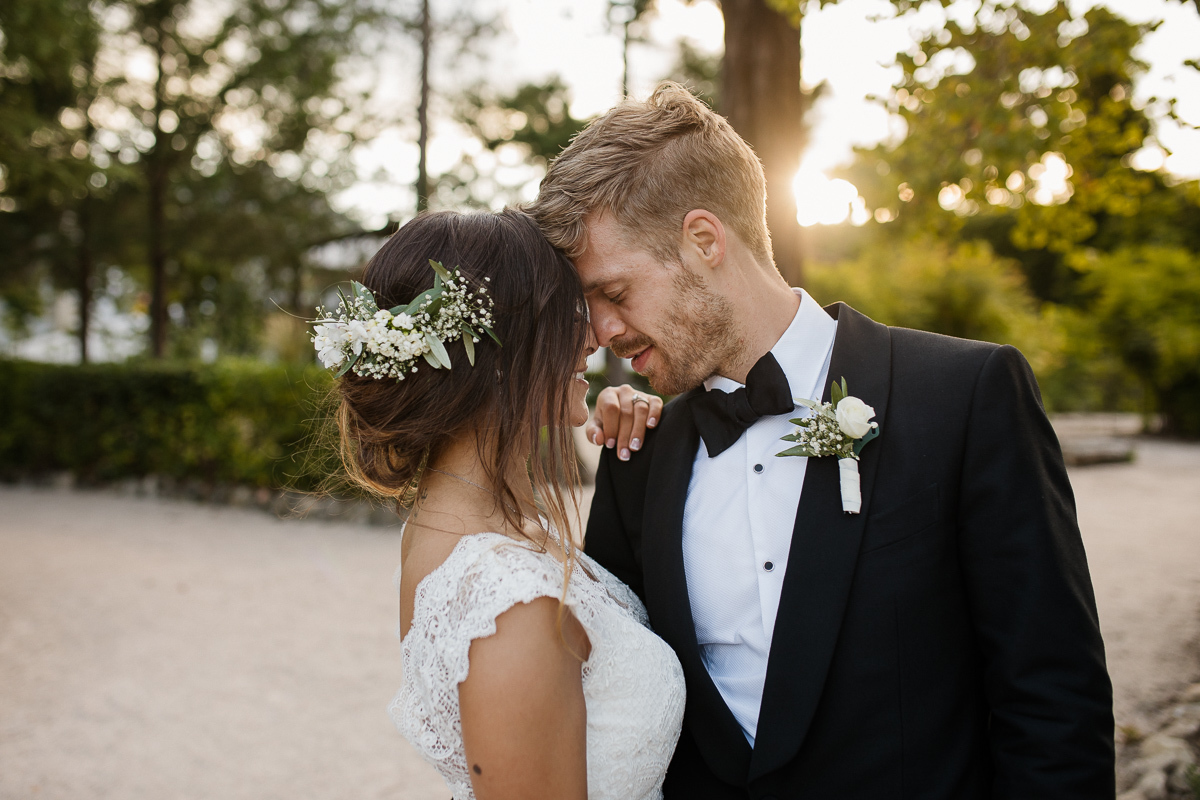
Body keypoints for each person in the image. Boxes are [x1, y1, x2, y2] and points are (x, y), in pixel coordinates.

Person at [528, 82, 1115, 799]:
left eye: (614, 294)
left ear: (704, 240)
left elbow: (1052, 699)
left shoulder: (964, 397)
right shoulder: (636, 453)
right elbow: (618, 689)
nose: (600, 335)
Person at [313, 209, 685, 800]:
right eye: (565, 314)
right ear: (497, 351)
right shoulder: (508, 606)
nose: (592, 336)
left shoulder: (463, 524)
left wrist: (650, 447)